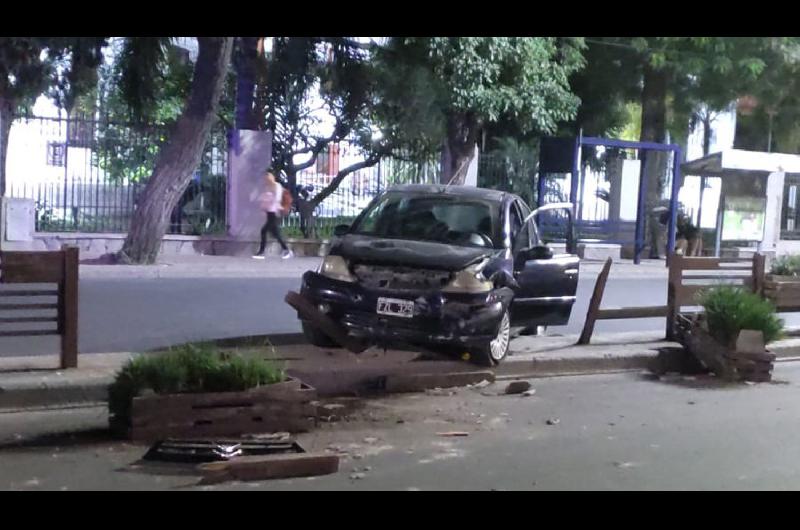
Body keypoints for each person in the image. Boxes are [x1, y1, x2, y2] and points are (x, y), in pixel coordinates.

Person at [253, 171, 293, 260]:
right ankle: (287, 250)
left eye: (267, 178)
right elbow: (264, 199)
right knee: (275, 234)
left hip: (275, 213)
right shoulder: (267, 187)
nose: (265, 180)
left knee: (264, 231)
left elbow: (277, 199)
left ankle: (261, 252)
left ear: (270, 178)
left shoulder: (276, 186)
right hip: (269, 213)